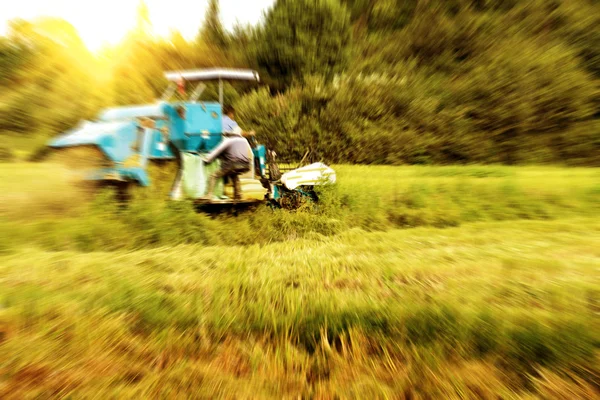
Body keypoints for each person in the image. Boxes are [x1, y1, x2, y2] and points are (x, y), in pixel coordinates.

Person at [201, 108, 254, 200]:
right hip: (246, 164)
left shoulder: (228, 140)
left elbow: (217, 151)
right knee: (234, 175)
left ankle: (209, 195)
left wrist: (206, 160)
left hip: (233, 163)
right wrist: (250, 133)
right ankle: (238, 195)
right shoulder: (244, 140)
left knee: (214, 176)